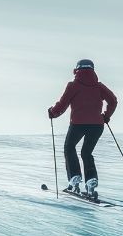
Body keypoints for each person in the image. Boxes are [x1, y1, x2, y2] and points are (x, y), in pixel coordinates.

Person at [47, 59, 118, 199]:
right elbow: (113, 101)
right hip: (97, 125)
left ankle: (74, 180)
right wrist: (106, 116)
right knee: (86, 152)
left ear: (77, 70)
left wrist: (52, 113)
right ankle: (91, 183)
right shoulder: (99, 86)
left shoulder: (73, 86)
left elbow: (63, 104)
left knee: (69, 147)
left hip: (78, 124)